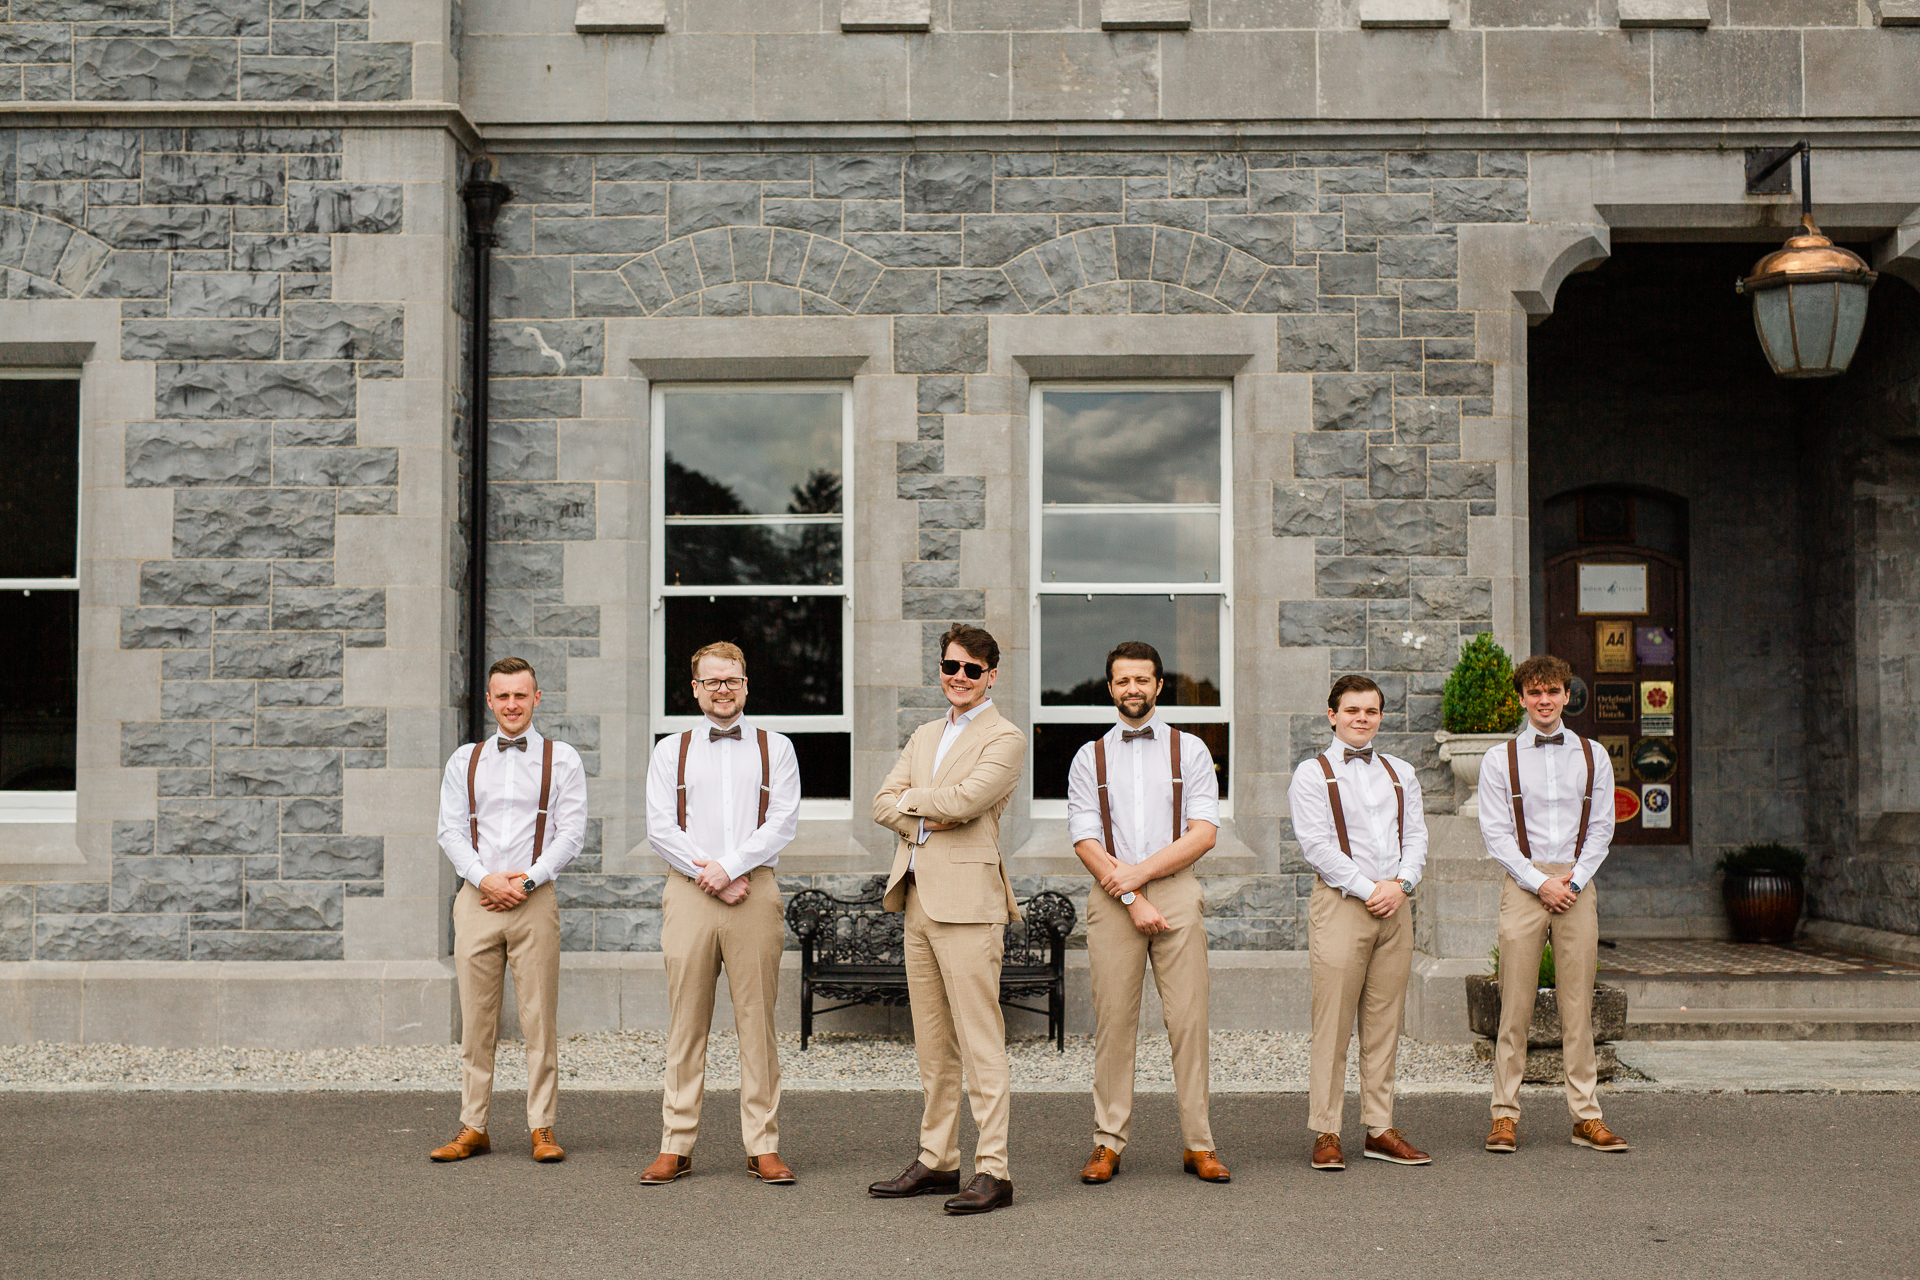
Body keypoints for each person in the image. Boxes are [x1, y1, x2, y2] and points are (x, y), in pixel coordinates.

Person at [867, 625, 1026, 1216]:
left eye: (971, 669)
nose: (958, 677)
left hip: (969, 905)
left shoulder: (1004, 737)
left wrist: (918, 801)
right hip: (916, 900)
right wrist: (924, 811)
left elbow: (967, 801)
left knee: (981, 1042)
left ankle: (994, 1170)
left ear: (991, 675)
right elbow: (883, 801)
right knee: (933, 1045)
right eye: (950, 666)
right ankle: (938, 1159)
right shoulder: (925, 732)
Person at [640, 642, 802, 1186]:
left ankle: (763, 1146)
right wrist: (707, 874)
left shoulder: (776, 748)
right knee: (686, 1023)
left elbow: (782, 822)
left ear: (746, 684)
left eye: (731, 680)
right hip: (689, 893)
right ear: (695, 689)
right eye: (711, 682)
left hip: (754, 891)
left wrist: (731, 868)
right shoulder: (671, 750)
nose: (722, 690)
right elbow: (660, 826)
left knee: (757, 1023)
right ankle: (675, 1144)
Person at [1067, 641, 1228, 1186]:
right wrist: (1131, 895)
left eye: (1143, 679)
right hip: (1111, 899)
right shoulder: (1089, 757)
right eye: (1122, 681)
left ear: (1159, 686)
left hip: (1177, 892)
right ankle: (1107, 1143)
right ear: (1109, 688)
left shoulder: (1193, 751)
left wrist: (1140, 879)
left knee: (1189, 1021)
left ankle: (1198, 1144)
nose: (1132, 688)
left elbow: (1203, 834)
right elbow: (1085, 838)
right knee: (1115, 1024)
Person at [429, 656, 588, 1164]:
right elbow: (450, 830)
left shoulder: (562, 759)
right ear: (491, 700)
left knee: (540, 1019)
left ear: (536, 698)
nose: (512, 704)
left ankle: (542, 1127)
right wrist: (484, 878)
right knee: (477, 1021)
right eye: (503, 696)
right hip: (476, 900)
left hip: (534, 899)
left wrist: (526, 879)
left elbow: (572, 833)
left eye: (521, 695)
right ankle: (473, 1125)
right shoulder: (465, 760)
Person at [1476, 654, 1628, 1155]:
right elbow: (1496, 834)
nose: (1544, 701)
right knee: (1513, 1006)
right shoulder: (1500, 759)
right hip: (1524, 883)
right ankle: (1504, 1115)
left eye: (1553, 692)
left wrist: (1574, 881)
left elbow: (1603, 825)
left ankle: (1586, 1116)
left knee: (1576, 1006)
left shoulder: (1593, 755)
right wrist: (1540, 882)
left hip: (1576, 883)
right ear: (1522, 698)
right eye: (1535, 693)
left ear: (1567, 696)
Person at [1287, 674, 1431, 1172]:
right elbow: (1318, 846)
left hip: (1396, 904)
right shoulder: (1312, 773)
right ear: (1333, 715)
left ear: (1380, 717)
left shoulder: (1400, 771)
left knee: (1384, 1021)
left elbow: (1416, 836)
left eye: (1370, 711)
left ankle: (1379, 1126)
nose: (1361, 719)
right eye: (1352, 711)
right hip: (1343, 904)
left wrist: (1402, 883)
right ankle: (1326, 1130)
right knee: (1333, 1023)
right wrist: (1373, 889)